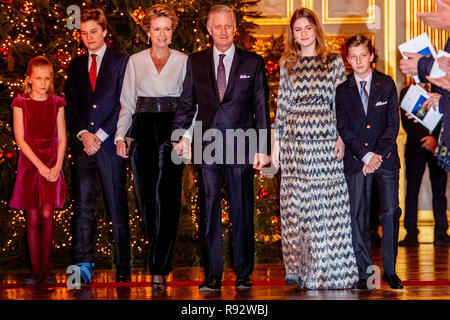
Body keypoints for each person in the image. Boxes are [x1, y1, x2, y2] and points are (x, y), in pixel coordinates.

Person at [172, 5, 270, 291]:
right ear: (209, 29)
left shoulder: (253, 63)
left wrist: (262, 148)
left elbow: (261, 108)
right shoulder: (196, 62)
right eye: (218, 26)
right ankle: (212, 275)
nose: (224, 31)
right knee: (209, 210)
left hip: (242, 147)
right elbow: (187, 103)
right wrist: (180, 137)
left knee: (242, 210)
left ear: (235, 28)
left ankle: (243, 273)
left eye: (228, 26)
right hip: (207, 148)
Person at [271, 8, 358, 289]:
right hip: (295, 144)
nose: (303, 33)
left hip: (326, 142)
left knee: (326, 206)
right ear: (292, 34)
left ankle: (330, 269)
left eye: (308, 27)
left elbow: (343, 106)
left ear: (316, 30)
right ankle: (297, 268)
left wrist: (342, 137)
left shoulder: (332, 62)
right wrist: (276, 149)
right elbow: (281, 110)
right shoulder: (287, 64)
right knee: (297, 207)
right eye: (298, 29)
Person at [116, 4, 191, 291]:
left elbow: (190, 103)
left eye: (167, 29)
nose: (162, 34)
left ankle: (159, 267)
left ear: (173, 32)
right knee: (147, 198)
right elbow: (126, 102)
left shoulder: (184, 61)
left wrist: (186, 137)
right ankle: (157, 258)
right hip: (143, 127)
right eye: (156, 29)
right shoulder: (135, 61)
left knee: (169, 198)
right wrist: (121, 136)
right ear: (148, 32)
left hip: (173, 127)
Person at [64, 8, 130, 284]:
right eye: (83, 33)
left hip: (109, 145)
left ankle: (123, 265)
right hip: (84, 147)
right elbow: (72, 105)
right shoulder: (76, 65)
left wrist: (101, 134)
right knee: (82, 208)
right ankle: (80, 267)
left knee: (117, 205)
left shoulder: (121, 61)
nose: (88, 38)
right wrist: (82, 134)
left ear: (104, 32)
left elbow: (124, 101)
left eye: (94, 32)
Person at [336, 34, 403, 290]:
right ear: (348, 59)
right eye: (353, 56)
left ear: (371, 56)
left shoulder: (386, 85)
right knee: (358, 217)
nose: (358, 60)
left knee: (389, 214)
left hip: (385, 161)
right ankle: (364, 274)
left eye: (363, 55)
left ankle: (390, 271)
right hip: (356, 162)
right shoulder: (342, 90)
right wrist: (364, 156)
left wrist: (376, 157)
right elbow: (344, 127)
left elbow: (392, 125)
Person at [10, 56, 66, 285]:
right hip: (31, 164)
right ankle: (35, 272)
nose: (43, 83)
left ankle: (47, 268)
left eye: (47, 78)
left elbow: (62, 138)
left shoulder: (57, 102)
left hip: (53, 162)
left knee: (47, 214)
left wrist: (57, 165)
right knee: (32, 217)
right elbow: (20, 140)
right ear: (29, 79)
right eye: (38, 78)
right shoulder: (20, 103)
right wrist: (41, 167)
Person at [398, 84, 449, 247]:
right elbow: (406, 120)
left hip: (438, 146)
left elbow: (445, 116)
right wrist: (426, 138)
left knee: (440, 192)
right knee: (412, 191)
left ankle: (441, 232)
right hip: (415, 147)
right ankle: (411, 233)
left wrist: (434, 139)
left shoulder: (440, 90)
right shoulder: (406, 91)